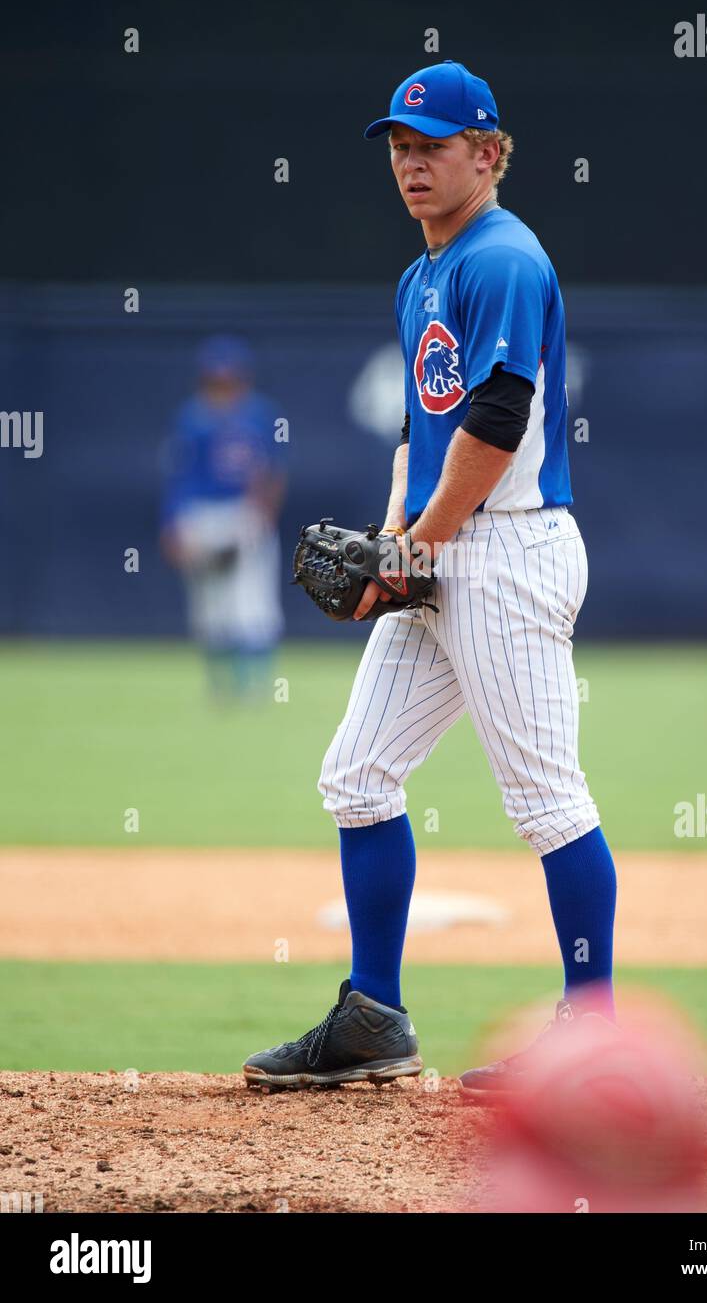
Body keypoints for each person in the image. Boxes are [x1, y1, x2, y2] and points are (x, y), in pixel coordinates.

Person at [243, 61, 616, 1095]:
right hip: (450, 544)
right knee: (356, 775)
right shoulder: (420, 275)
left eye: (433, 145)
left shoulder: (502, 257)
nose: (410, 162)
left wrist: (418, 548)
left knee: (545, 801)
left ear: (487, 155)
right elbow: (424, 426)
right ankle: (372, 1017)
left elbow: (495, 425)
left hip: (507, 549)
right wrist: (394, 536)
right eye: (399, 147)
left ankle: (593, 1039)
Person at [160, 335, 287, 699]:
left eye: (229, 377)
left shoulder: (259, 415)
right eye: (216, 378)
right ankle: (222, 685)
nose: (223, 384)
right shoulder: (191, 418)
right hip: (201, 515)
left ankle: (257, 685)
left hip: (244, 512)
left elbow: (273, 472)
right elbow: (179, 476)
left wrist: (262, 514)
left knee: (253, 601)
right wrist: (174, 524)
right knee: (210, 606)